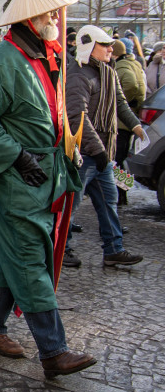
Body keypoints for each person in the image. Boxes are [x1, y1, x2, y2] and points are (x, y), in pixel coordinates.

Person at [0, 0, 96, 378]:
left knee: (10, 255)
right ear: (29, 19)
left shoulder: (41, 58)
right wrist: (18, 157)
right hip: (18, 181)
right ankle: (53, 351)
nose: (56, 16)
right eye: (49, 11)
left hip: (44, 178)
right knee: (30, 259)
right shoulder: (3, 60)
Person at [61, 27, 146, 268]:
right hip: (84, 155)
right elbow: (78, 116)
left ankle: (113, 250)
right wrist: (97, 150)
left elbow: (120, 103)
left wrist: (136, 126)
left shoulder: (109, 72)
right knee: (70, 206)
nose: (111, 48)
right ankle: (60, 248)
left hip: (101, 155)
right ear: (89, 46)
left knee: (108, 203)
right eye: (105, 44)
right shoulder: (79, 75)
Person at [113, 37, 146, 206]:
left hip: (122, 122)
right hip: (129, 120)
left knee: (117, 160)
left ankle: (121, 193)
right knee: (121, 159)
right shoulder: (135, 64)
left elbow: (132, 86)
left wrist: (122, 100)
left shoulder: (122, 67)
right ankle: (123, 192)